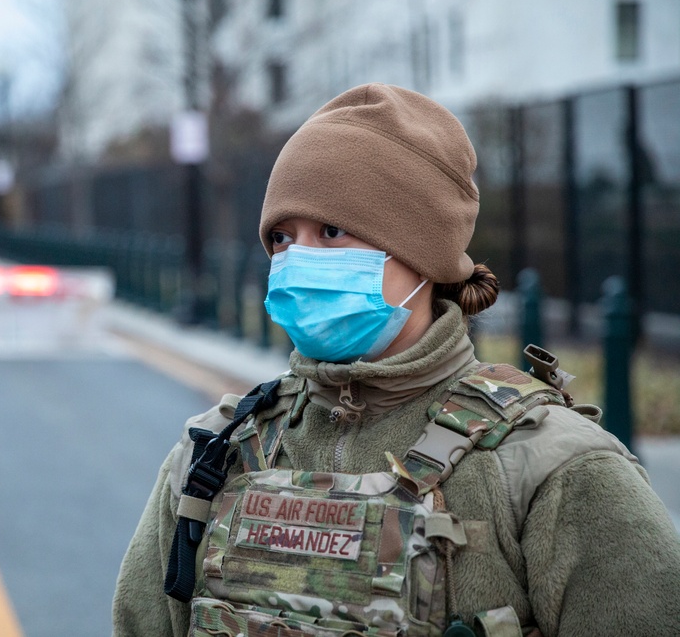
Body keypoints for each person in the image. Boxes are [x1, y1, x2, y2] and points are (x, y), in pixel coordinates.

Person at [112, 83, 680, 637]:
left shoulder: (557, 470)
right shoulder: (211, 453)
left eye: (332, 231)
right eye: (282, 238)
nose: (298, 260)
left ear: (422, 252)